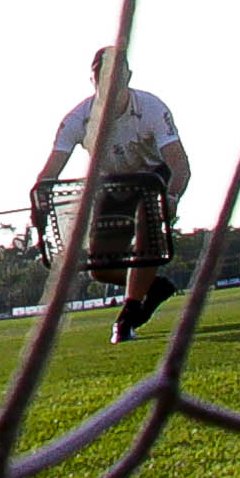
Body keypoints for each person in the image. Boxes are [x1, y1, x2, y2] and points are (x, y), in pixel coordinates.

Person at [31, 48, 192, 343]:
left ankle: (127, 317)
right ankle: (153, 287)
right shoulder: (77, 120)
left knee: (148, 231)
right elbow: (49, 173)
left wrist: (172, 198)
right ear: (93, 81)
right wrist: (37, 206)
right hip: (113, 185)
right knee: (101, 268)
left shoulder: (153, 109)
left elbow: (180, 165)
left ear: (128, 76)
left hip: (152, 178)